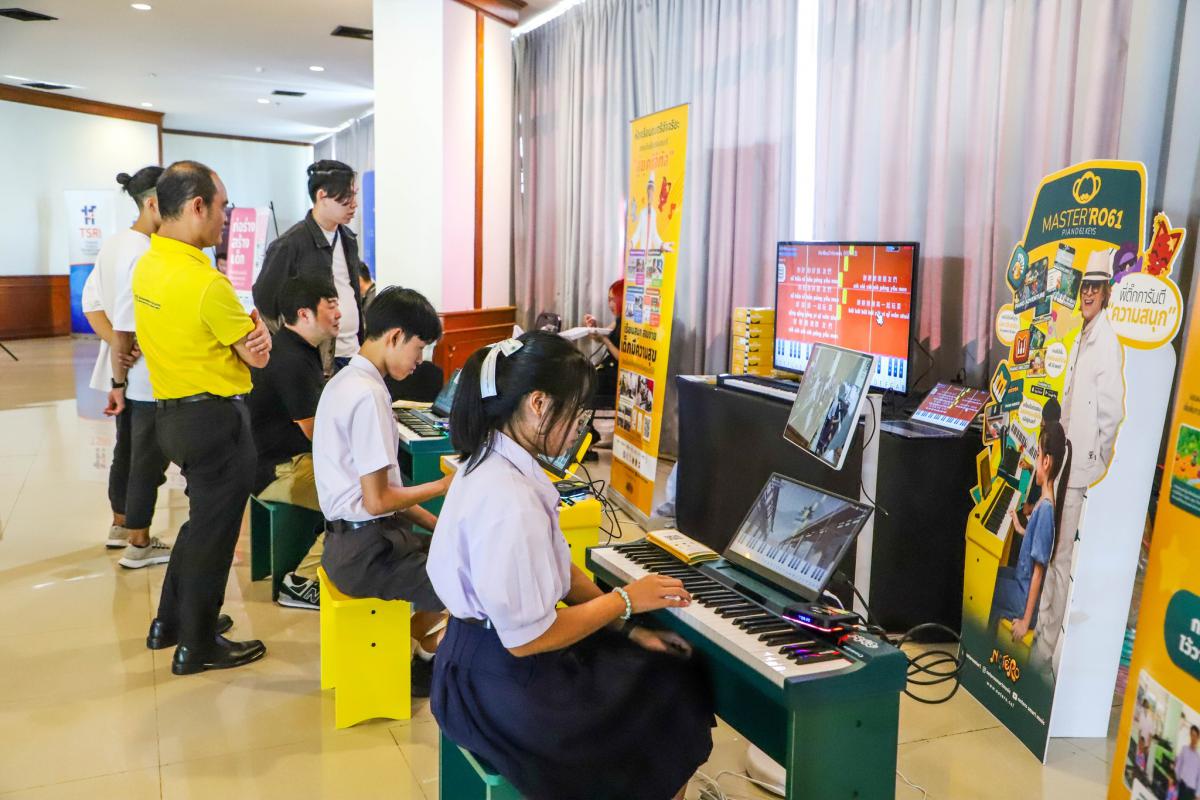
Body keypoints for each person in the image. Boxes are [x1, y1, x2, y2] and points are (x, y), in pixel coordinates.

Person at [428, 330, 714, 800]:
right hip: (501, 689)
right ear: (538, 403)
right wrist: (624, 600)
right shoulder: (510, 499)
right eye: (577, 414)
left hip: (475, 662)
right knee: (670, 698)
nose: (580, 429)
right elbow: (528, 639)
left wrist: (626, 626)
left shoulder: (492, 461)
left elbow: (561, 570)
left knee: (653, 666)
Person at [132, 160, 272, 675]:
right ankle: (198, 645)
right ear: (197, 206)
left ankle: (170, 622)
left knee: (199, 525)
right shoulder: (207, 284)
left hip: (170, 417)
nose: (225, 218)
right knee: (214, 537)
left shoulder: (148, 264)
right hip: (216, 422)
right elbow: (257, 355)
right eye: (222, 207)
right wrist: (259, 336)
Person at [313, 287, 452, 695]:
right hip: (368, 554)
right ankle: (424, 660)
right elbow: (378, 501)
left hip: (348, 544)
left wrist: (439, 525)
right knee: (471, 580)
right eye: (419, 348)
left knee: (452, 551)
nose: (420, 361)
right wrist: (444, 485)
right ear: (394, 336)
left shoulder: (344, 380)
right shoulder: (369, 394)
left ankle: (420, 646)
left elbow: (384, 496)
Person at [1032, 248, 1124, 673]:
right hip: (1064, 464)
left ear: (1106, 293)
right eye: (1084, 286)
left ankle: (1047, 652)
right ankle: (1041, 638)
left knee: (1061, 560)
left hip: (1079, 472)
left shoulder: (1107, 343)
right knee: (1051, 554)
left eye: (1095, 288)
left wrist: (1095, 463)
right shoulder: (1082, 337)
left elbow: (1112, 415)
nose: (1088, 293)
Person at [81, 166, 173, 568]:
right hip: (145, 374)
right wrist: (127, 347)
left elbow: (92, 305)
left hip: (125, 369)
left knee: (128, 450)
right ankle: (139, 540)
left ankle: (120, 524)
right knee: (146, 457)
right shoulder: (147, 252)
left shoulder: (114, 244)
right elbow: (126, 319)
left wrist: (120, 349)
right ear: (152, 203)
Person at [246, 276, 341, 610]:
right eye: (331, 306)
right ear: (304, 313)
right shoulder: (292, 359)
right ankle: (302, 582)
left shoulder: (294, 348)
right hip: (279, 470)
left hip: (278, 460)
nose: (339, 313)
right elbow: (316, 432)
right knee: (357, 498)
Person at [252, 159, 364, 371]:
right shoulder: (289, 244)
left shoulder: (348, 238)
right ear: (322, 195)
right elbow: (265, 302)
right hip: (316, 359)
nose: (354, 204)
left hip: (352, 352)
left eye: (355, 195)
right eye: (347, 196)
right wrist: (297, 344)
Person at [989, 420, 1071, 643]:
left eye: (1037, 456)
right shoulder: (1045, 502)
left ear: (1046, 461)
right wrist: (1019, 527)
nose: (1034, 462)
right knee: (992, 573)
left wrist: (1025, 621)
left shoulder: (1045, 509)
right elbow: (1037, 541)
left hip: (1024, 597)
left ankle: (986, 643)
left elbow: (1038, 572)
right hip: (1021, 580)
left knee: (988, 587)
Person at [1177, 725, 1200, 800]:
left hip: (1191, 791)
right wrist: (1179, 780)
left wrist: (1197, 795)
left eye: (1195, 736)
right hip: (1182, 786)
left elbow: (1199, 777)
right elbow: (1178, 767)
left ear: (1198, 738)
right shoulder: (1184, 749)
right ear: (1190, 735)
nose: (1193, 738)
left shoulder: (1198, 757)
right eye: (1192, 735)